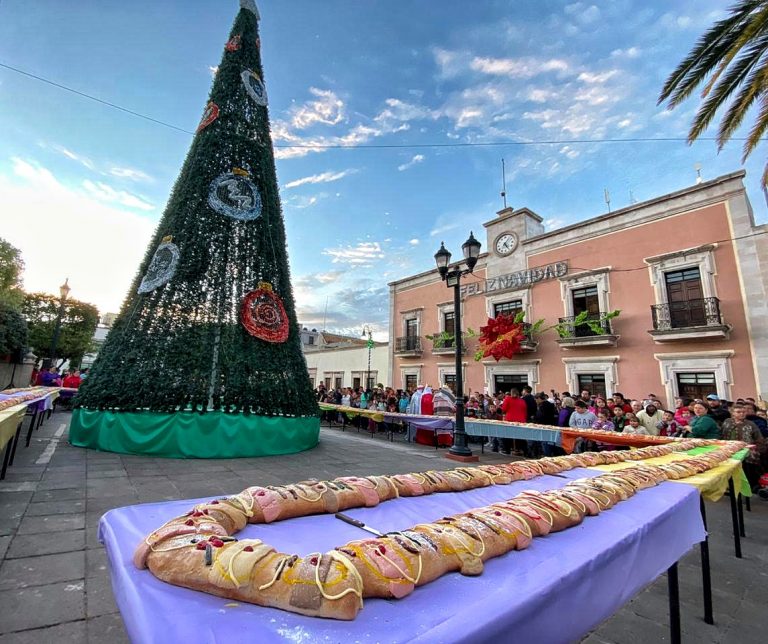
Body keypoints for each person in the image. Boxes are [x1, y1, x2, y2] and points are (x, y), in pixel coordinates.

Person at [721, 403, 765, 489]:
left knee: (747, 463)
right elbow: (722, 435)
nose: (741, 414)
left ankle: (748, 485)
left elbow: (759, 439)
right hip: (729, 449)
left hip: (747, 450)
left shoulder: (751, 424)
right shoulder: (727, 421)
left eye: (743, 412)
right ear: (732, 413)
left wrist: (754, 447)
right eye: (738, 412)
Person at [501, 389, 528, 455]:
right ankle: (524, 451)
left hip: (510, 420)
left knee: (508, 436)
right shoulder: (522, 400)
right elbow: (525, 410)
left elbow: (504, 409)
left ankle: (507, 450)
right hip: (521, 421)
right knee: (520, 437)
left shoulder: (508, 399)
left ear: (511, 393)